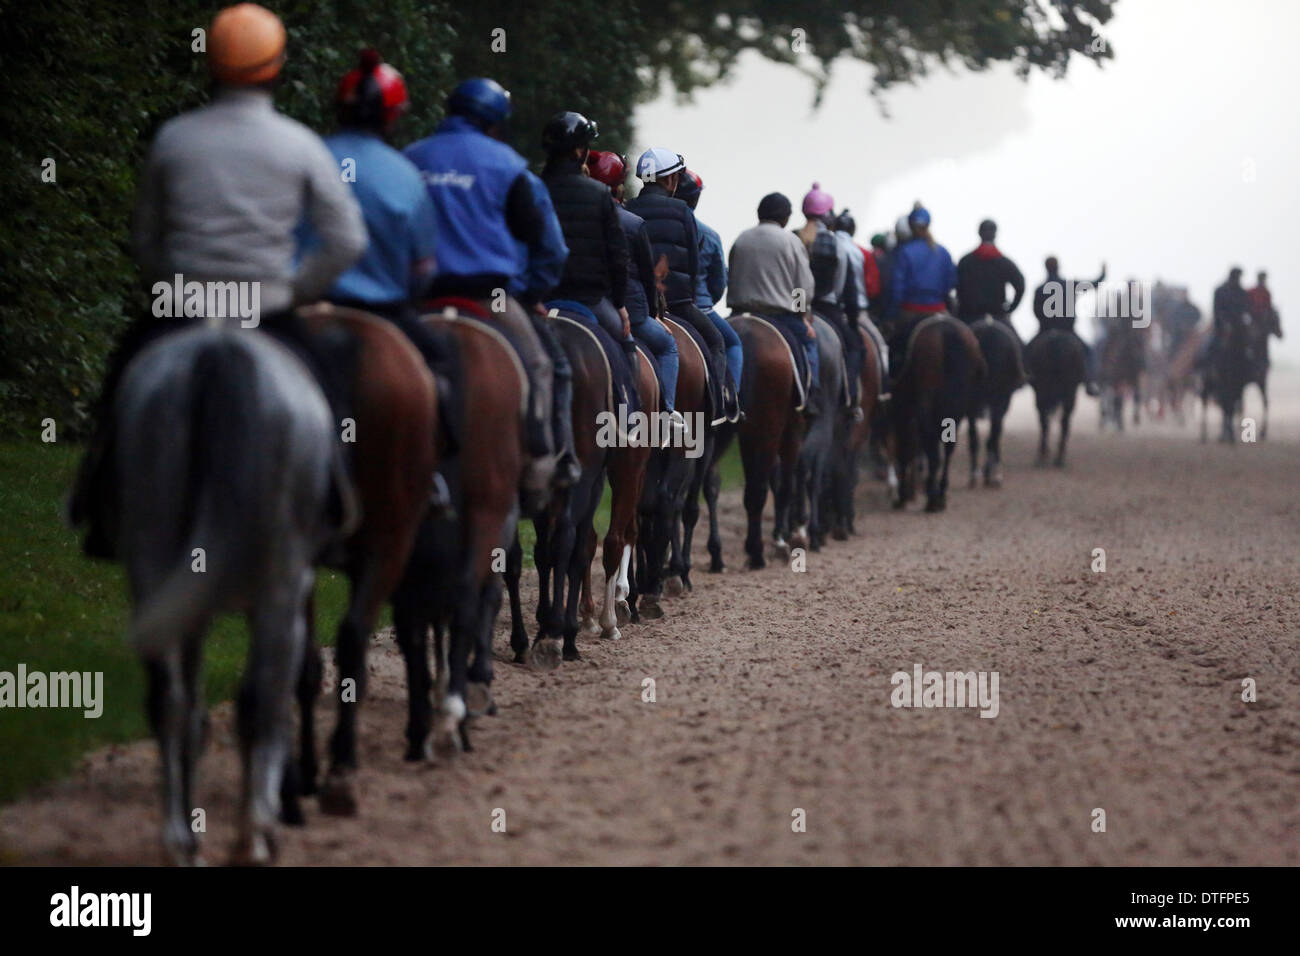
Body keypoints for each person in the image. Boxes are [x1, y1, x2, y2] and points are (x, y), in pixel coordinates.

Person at [69, 2, 368, 559]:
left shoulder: (173, 139)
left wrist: (172, 280)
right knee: (329, 385)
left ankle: (100, 499)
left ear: (211, 63)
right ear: (276, 66)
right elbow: (346, 240)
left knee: (123, 374)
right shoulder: (299, 143)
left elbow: (146, 239)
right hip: (269, 309)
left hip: (182, 305)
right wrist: (296, 290)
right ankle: (333, 502)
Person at [403, 77, 579, 496]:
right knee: (541, 365)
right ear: (496, 121)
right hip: (490, 298)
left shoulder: (410, 158)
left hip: (418, 300)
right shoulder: (509, 166)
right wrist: (532, 293)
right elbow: (550, 247)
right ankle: (540, 463)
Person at [626, 147, 734, 424]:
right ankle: (715, 409)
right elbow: (695, 264)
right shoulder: (683, 210)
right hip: (679, 303)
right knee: (717, 341)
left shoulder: (627, 208)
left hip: (638, 303)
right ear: (670, 180)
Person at [538, 111, 638, 389]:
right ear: (580, 151)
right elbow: (618, 256)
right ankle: (629, 416)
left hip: (540, 298)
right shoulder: (598, 194)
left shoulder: (530, 187)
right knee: (626, 342)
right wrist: (619, 304)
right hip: (589, 299)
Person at [586, 149, 682, 426]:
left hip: (574, 301)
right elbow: (645, 277)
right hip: (627, 310)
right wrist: (652, 313)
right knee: (668, 347)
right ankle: (666, 413)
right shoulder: (630, 222)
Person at [727, 191, 822, 415]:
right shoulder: (791, 241)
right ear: (786, 218)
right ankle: (810, 396)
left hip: (739, 313)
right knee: (809, 343)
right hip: (779, 316)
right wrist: (801, 316)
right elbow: (803, 287)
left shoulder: (742, 238)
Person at [675, 170, 743, 419]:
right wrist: (707, 302)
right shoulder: (709, 235)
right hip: (698, 307)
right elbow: (718, 283)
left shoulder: (644, 220)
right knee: (732, 342)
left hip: (656, 304)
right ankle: (727, 398)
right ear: (696, 199)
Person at [884, 205, 957, 380]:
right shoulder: (943, 252)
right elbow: (951, 283)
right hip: (939, 310)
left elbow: (897, 290)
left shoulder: (903, 252)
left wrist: (891, 317)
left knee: (894, 349)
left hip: (910, 312)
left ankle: (891, 384)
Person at [955, 218, 1027, 383]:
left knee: (951, 348)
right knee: (1019, 346)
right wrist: (1010, 309)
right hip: (998, 316)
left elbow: (955, 285)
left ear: (979, 234)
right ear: (995, 235)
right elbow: (1021, 286)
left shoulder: (966, 261)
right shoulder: (1004, 262)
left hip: (968, 317)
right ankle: (1021, 374)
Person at [1027, 256, 1105, 395]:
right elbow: (1094, 284)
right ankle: (1090, 382)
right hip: (1068, 331)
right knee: (1089, 352)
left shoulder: (1040, 288)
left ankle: (1025, 377)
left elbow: (1035, 310)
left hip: (1044, 330)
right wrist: (1103, 273)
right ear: (1058, 267)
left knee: (1025, 351)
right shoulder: (1069, 285)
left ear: (1046, 268)